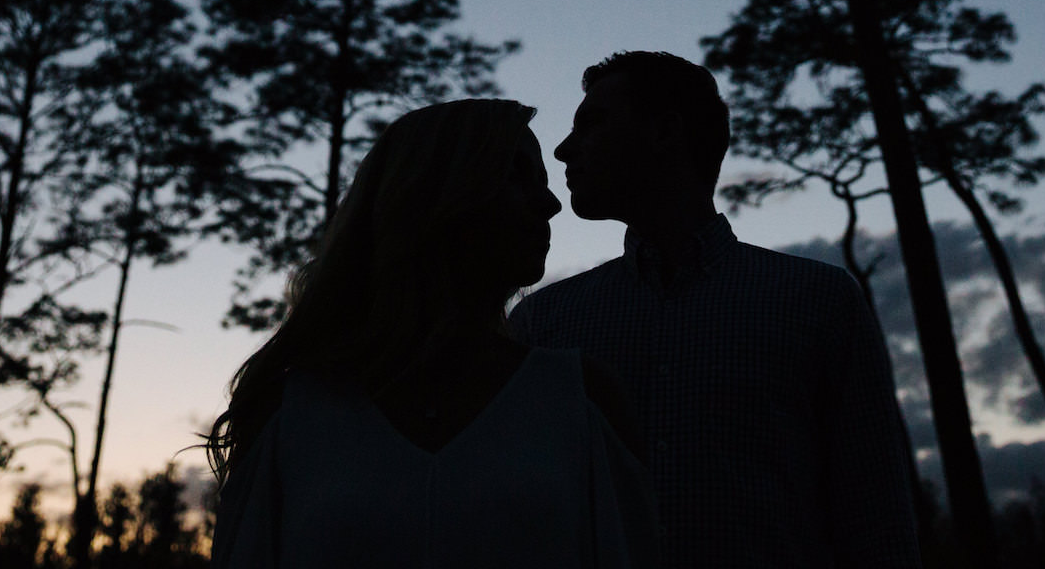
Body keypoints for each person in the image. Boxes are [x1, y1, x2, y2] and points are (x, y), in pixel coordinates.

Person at [510, 52, 922, 569]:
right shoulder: (541, 324)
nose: (565, 149)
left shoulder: (817, 302)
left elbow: (876, 518)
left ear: (665, 132)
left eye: (591, 123)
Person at [207, 98, 659, 568]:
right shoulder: (292, 412)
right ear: (432, 193)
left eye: (543, 181)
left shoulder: (584, 401)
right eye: (515, 174)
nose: (550, 203)